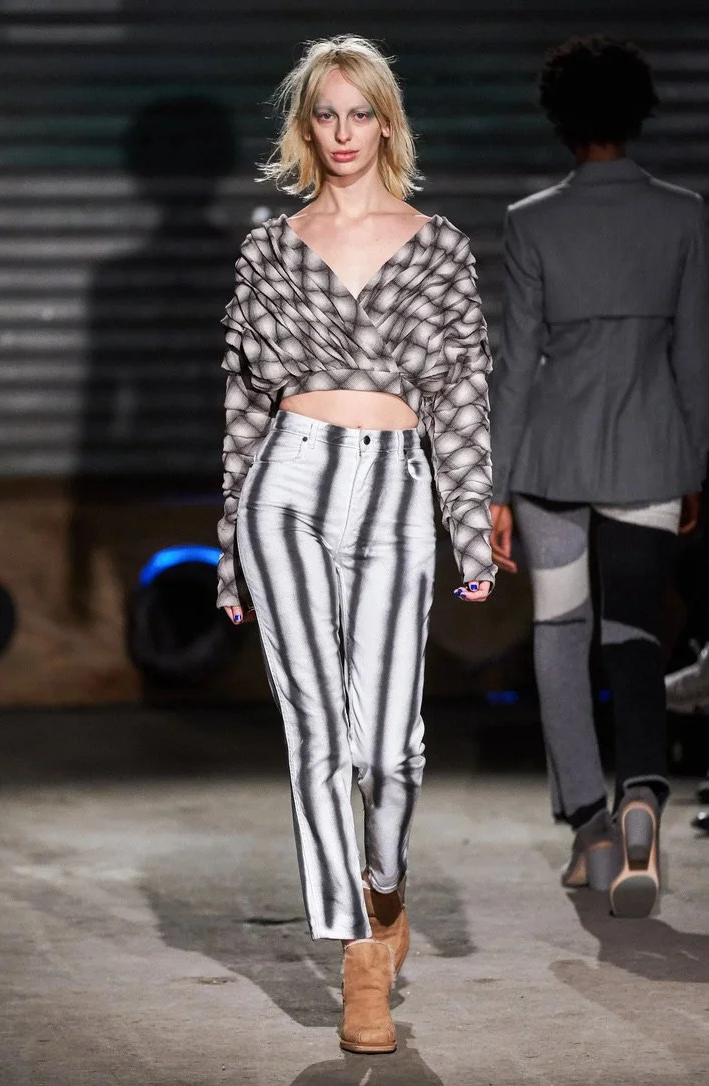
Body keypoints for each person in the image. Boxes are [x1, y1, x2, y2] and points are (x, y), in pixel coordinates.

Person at [215, 35, 495, 1053]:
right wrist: (229, 544)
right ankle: (359, 958)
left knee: (389, 749)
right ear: (306, 126)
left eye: (358, 113)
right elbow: (244, 406)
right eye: (324, 114)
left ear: (386, 122)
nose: (341, 133)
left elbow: (461, 396)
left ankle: (383, 879)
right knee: (317, 733)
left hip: (394, 487)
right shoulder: (270, 248)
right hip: (286, 484)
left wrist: (471, 526)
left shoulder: (439, 245)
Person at [489, 36, 708, 918]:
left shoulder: (531, 220)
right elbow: (695, 359)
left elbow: (514, 365)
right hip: (650, 450)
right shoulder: (684, 216)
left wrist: (495, 485)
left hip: (551, 458)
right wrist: (693, 465)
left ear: (562, 121)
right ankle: (643, 799)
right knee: (634, 633)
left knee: (559, 632)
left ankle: (592, 828)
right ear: (637, 112)